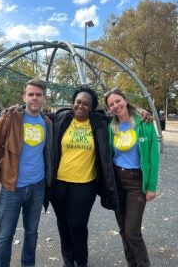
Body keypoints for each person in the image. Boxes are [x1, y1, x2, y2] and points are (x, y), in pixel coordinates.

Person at [0, 79, 53, 267]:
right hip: (11, 186)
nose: (34, 98)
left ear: (44, 98)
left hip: (37, 186)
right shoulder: (11, 118)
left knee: (32, 232)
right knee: (5, 235)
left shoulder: (46, 121)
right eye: (31, 94)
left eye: (38, 95)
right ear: (24, 97)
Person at [50, 86, 118, 267]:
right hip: (59, 182)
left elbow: (124, 115)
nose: (80, 106)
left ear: (91, 108)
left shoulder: (100, 122)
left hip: (85, 183)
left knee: (77, 224)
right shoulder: (61, 118)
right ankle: (68, 259)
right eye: (78, 102)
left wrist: (140, 112)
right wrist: (17, 108)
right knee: (62, 222)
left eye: (85, 104)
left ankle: (81, 260)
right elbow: (34, 114)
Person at [104, 88, 159, 267]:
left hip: (136, 181)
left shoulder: (144, 123)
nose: (115, 106)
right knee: (123, 230)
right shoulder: (111, 127)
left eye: (118, 101)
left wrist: (151, 186)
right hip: (118, 180)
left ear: (125, 100)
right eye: (111, 104)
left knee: (132, 231)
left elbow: (153, 156)